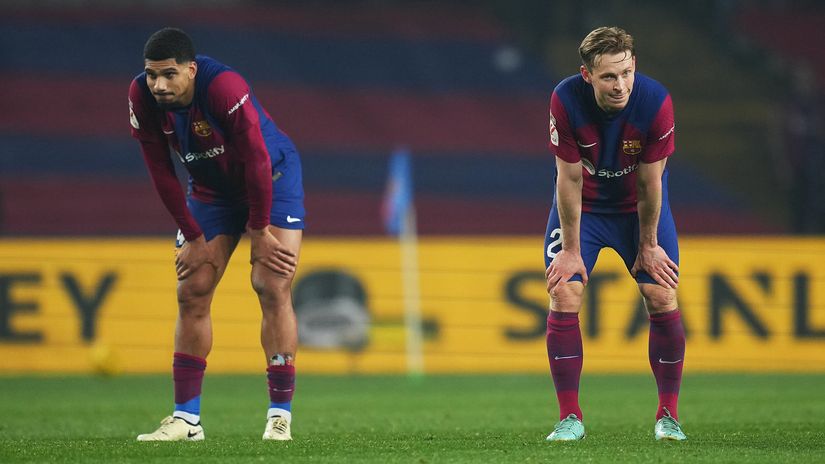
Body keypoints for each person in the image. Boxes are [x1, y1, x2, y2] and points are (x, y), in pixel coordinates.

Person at [128, 27, 305, 441]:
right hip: (211, 191)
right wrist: (192, 236)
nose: (158, 85)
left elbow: (258, 160)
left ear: (191, 69)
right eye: (152, 75)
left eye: (169, 74)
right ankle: (186, 420)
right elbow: (161, 171)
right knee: (192, 287)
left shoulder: (224, 87)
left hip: (273, 177)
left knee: (271, 282)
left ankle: (279, 416)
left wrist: (259, 230)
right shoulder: (141, 98)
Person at [543, 26, 686, 442]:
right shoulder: (565, 99)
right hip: (583, 210)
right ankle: (570, 419)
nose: (621, 84)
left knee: (661, 292)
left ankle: (668, 417)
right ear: (586, 74)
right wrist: (570, 250)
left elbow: (650, 184)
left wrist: (648, 245)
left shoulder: (655, 102)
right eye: (609, 76)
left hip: (636, 208)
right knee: (564, 290)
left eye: (626, 72)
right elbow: (567, 180)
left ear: (634, 65)